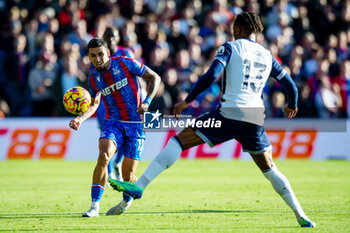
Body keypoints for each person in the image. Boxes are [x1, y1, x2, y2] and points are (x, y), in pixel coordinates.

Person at [109, 12, 316, 227]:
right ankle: (301, 215)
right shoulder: (267, 55)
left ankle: (140, 186)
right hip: (254, 119)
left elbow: (210, 76)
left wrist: (187, 101)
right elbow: (290, 85)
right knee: (270, 169)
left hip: (227, 115)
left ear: (237, 30)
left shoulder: (230, 47)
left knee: (178, 141)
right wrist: (291, 105)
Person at [69, 38, 160, 217]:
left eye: (101, 54)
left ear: (108, 53)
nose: (98, 58)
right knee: (103, 155)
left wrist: (147, 102)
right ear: (89, 56)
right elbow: (94, 104)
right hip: (114, 122)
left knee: (128, 176)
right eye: (93, 55)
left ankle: (126, 201)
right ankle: (94, 207)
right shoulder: (93, 78)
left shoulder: (125, 64)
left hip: (136, 124)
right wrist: (80, 118)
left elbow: (154, 77)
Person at [101, 27, 136, 182]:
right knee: (107, 136)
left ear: (118, 38)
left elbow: (135, 73)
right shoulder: (100, 55)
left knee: (128, 134)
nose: (110, 39)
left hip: (126, 102)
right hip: (107, 102)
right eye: (108, 36)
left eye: (113, 36)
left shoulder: (126, 53)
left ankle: (118, 161)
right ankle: (109, 174)